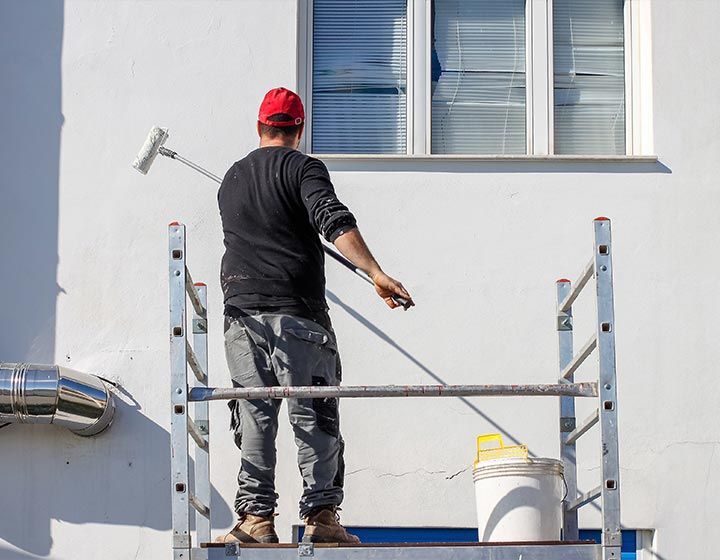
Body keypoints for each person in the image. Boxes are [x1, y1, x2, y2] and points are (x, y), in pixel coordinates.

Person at [216, 87, 414, 545]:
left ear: (260, 127)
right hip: (297, 317)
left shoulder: (232, 178)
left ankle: (254, 521)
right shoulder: (303, 167)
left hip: (241, 318)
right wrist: (375, 273)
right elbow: (332, 219)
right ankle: (322, 520)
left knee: (254, 417)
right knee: (313, 413)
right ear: (299, 130)